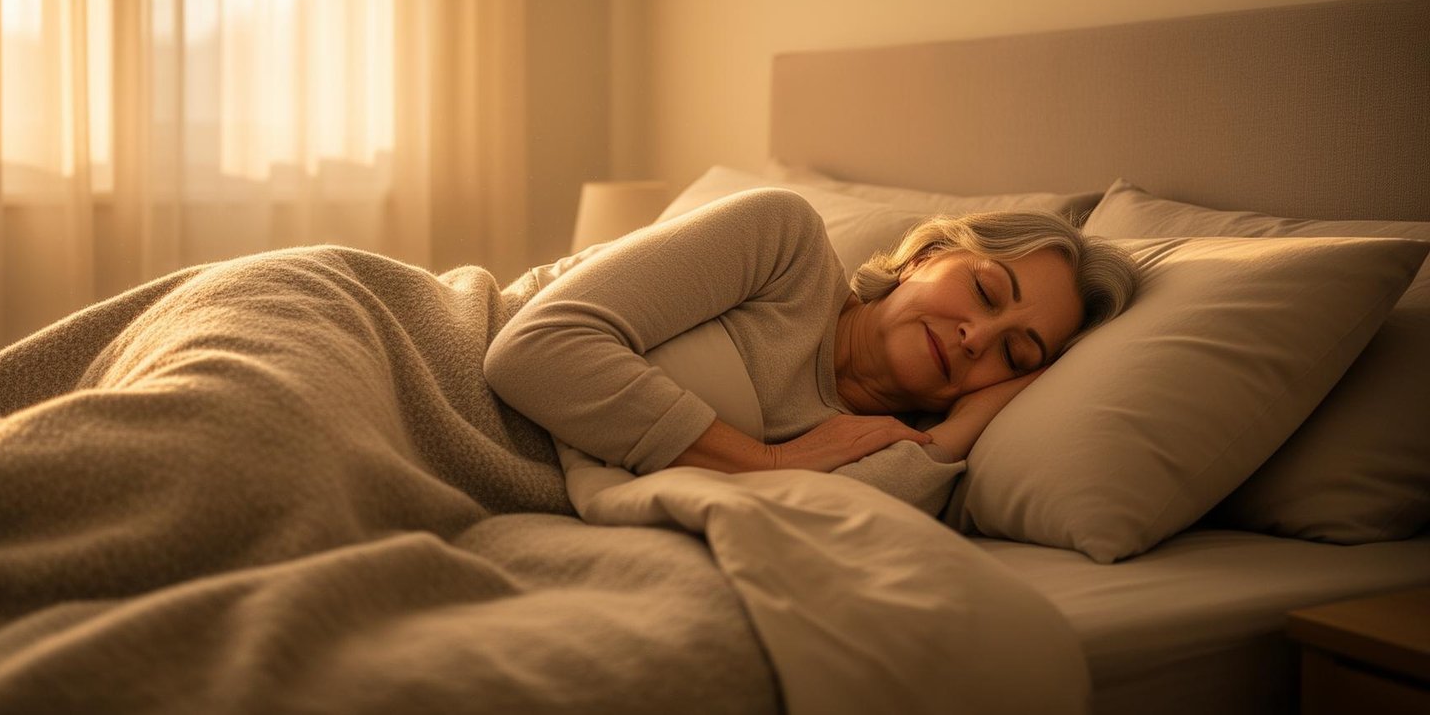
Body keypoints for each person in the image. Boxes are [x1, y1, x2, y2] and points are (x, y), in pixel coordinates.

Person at [485, 187, 1139, 512]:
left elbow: (824, 524)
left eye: (1016, 356)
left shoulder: (891, 454)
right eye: (985, 291)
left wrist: (964, 425)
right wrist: (766, 461)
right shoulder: (787, 248)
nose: (977, 337)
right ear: (926, 255)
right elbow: (536, 348)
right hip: (429, 346)